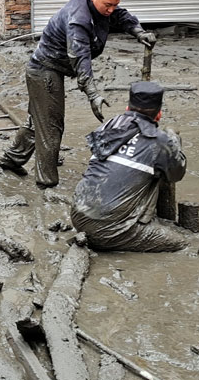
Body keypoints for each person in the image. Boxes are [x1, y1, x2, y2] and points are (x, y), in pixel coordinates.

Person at [0, 0, 157, 187]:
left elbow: (120, 16)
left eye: (114, 5)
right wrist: (93, 94)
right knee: (51, 126)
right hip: (45, 69)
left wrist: (138, 32)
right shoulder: (78, 20)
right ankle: (46, 182)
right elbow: (80, 59)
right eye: (107, 5)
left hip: (54, 68)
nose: (111, 10)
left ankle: (11, 160)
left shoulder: (102, 2)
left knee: (39, 120)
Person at [70, 81, 189, 252]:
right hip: (110, 230)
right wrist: (173, 140)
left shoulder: (111, 125)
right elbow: (177, 173)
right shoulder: (160, 141)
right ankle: (121, 234)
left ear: (127, 108)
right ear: (159, 114)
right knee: (181, 244)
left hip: (78, 216)